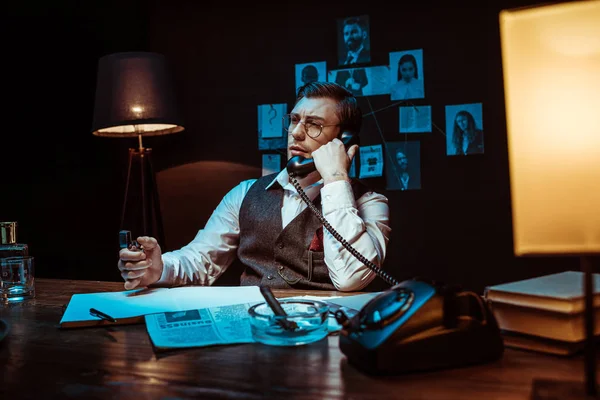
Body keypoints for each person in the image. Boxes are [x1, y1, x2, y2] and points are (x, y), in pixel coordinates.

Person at [118, 81, 391, 292]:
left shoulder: (369, 203)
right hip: (253, 331)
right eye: (295, 120)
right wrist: (159, 268)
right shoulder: (244, 193)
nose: (296, 133)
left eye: (314, 125)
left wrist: (335, 179)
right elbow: (201, 259)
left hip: (322, 336)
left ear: (342, 139)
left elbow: (350, 279)